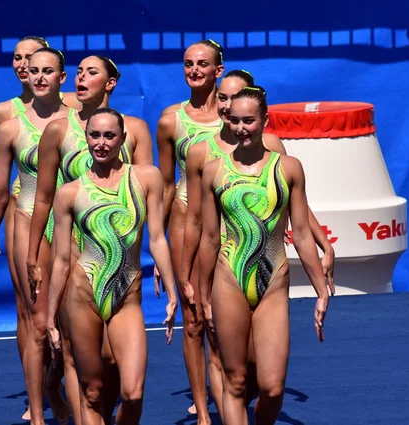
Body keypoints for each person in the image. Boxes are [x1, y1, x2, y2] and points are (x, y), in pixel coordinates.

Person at [179, 73, 336, 418]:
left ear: (265, 120)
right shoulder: (213, 171)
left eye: (248, 120)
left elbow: (302, 234)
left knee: (272, 387)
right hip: (227, 281)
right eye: (234, 120)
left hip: (274, 284)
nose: (240, 127)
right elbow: (208, 237)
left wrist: (320, 289)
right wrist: (202, 295)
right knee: (235, 382)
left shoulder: (289, 168)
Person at [26, 55, 153, 424]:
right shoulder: (58, 130)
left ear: (111, 83)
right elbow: (45, 198)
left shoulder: (138, 131)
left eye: (91, 73)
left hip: (120, 269)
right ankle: (63, 397)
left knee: (113, 362)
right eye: (78, 72)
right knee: (73, 355)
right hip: (72, 259)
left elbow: (143, 198)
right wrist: (35, 256)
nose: (81, 79)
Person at [42, 108, 178, 425]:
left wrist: (172, 293)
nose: (101, 143)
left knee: (133, 393)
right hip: (82, 299)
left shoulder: (147, 178)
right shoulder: (69, 193)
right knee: (92, 393)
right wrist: (50, 316)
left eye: (109, 135)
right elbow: (62, 259)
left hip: (127, 300)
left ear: (123, 138)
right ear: (85, 138)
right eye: (94, 135)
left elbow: (157, 239)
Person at [0, 36, 81, 421]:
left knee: (71, 316)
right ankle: (38, 400)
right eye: (20, 60)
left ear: (59, 73)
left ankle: (53, 383)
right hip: (26, 217)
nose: (27, 68)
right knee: (34, 317)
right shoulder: (5, 118)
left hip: (72, 221)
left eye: (38, 63)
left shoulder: (78, 109)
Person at [155, 39, 225, 425]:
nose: (194, 69)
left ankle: (229, 388)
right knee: (195, 319)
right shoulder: (170, 120)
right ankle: (202, 409)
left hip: (233, 227)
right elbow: (166, 186)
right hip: (186, 227)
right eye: (187, 63)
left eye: (202, 64)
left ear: (218, 70)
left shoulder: (236, 114)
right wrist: (160, 248)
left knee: (231, 320)